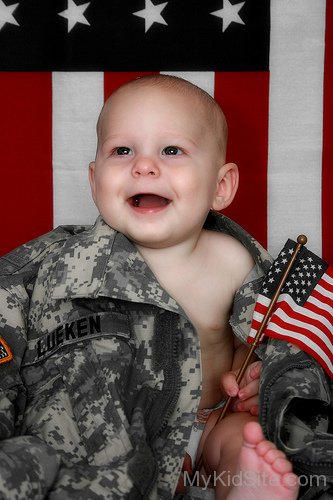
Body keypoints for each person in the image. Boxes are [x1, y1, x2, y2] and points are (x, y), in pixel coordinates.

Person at [0, 74, 299, 499]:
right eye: (122, 150)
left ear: (221, 186)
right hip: (109, 435)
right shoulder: (59, 267)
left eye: (171, 150)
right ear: (94, 180)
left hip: (206, 424)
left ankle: (245, 483)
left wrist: (251, 375)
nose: (144, 165)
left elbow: (262, 337)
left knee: (243, 433)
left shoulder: (233, 262)